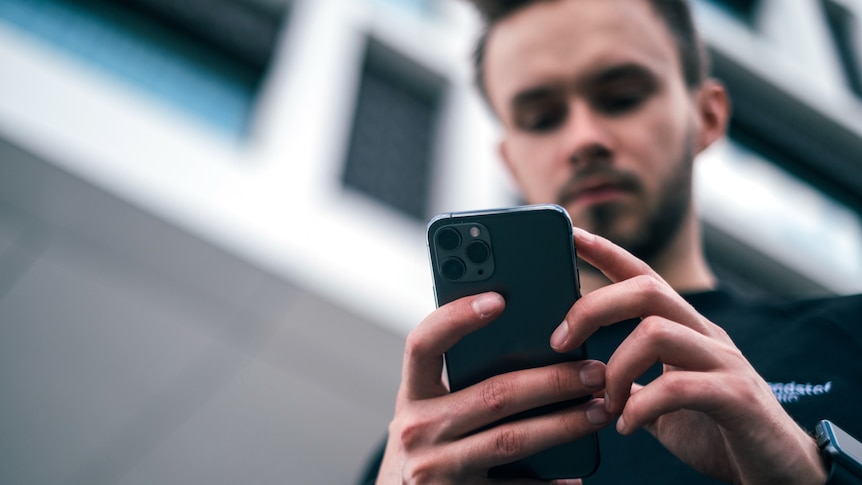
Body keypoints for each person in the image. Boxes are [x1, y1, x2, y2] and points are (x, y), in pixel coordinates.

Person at [360, 0, 862, 483]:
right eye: (541, 119)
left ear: (705, 117)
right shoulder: (427, 444)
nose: (584, 139)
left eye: (622, 97)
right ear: (512, 162)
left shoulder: (849, 337)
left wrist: (807, 472)